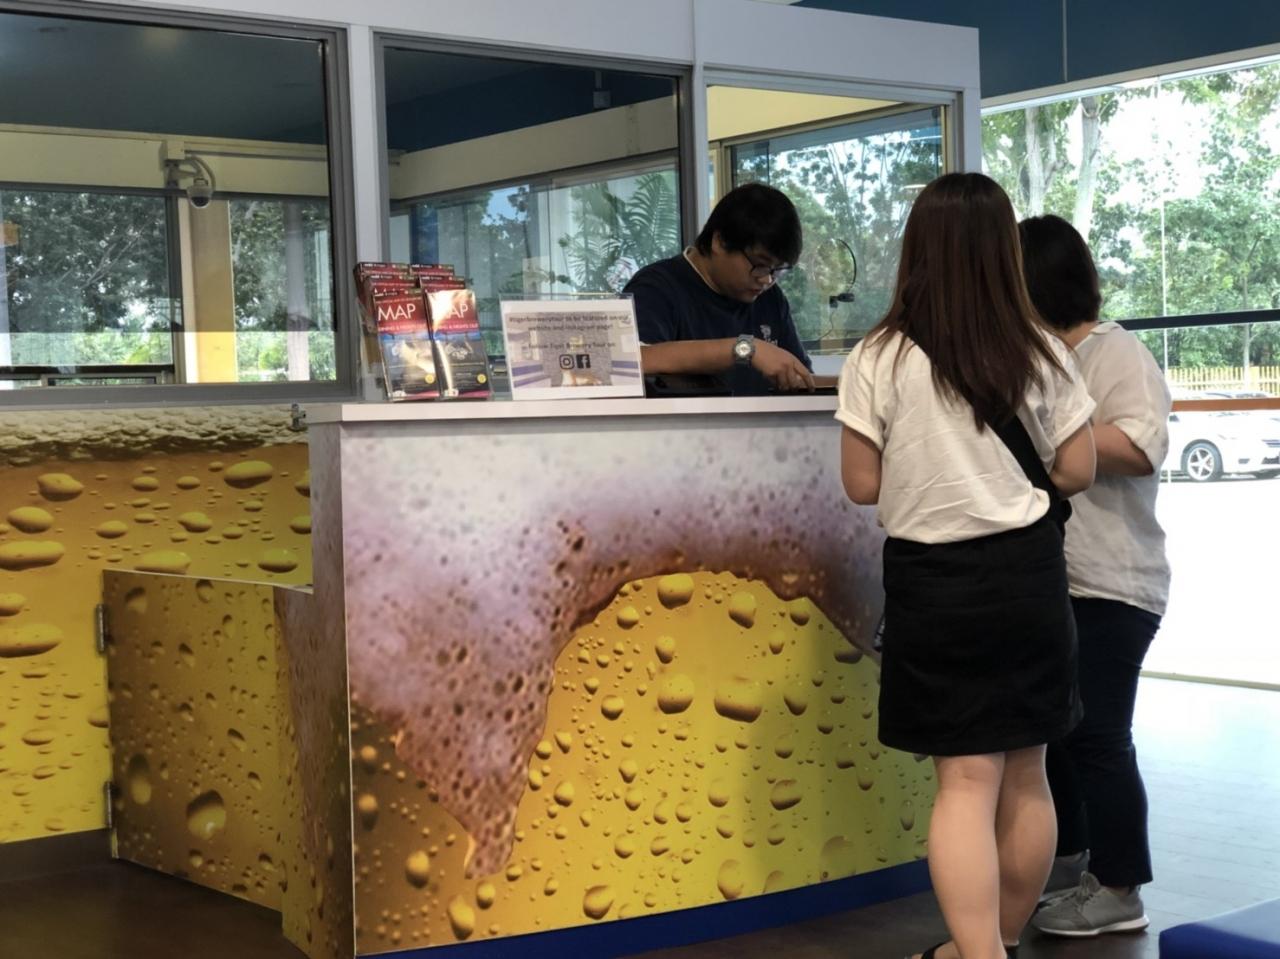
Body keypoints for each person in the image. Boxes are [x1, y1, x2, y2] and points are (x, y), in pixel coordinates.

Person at [836, 173, 1097, 959]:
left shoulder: (877, 355)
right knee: (1028, 772)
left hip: (936, 586)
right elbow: (1079, 469)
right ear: (1002, 251)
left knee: (964, 782)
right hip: (1029, 577)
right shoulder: (1042, 349)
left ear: (917, 249)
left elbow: (860, 484)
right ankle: (1000, 939)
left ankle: (976, 954)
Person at [1019, 214, 1171, 938]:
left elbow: (1140, 446)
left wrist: (1047, 431)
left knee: (1101, 735)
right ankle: (1078, 864)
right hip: (1059, 581)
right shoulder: (1041, 358)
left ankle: (1120, 887)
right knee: (1060, 734)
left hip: (1115, 582)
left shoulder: (1115, 352)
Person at [623, 182, 816, 395]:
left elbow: (802, 378)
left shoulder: (770, 297)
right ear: (720, 241)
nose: (766, 279)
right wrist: (745, 348)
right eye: (760, 264)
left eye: (778, 270)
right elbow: (635, 360)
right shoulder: (657, 287)